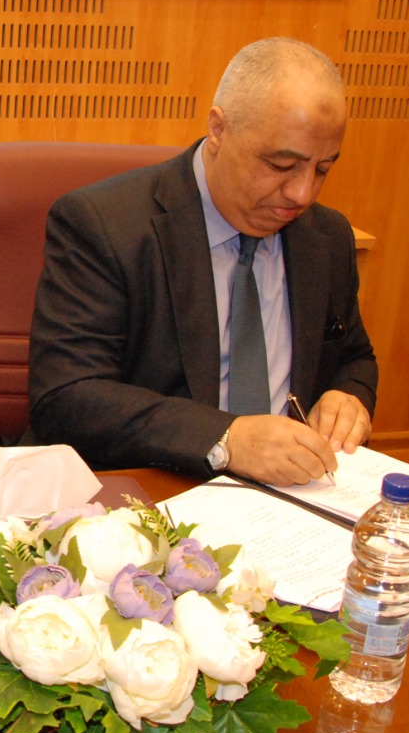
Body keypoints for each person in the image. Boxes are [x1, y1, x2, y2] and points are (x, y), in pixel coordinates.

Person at [27, 37, 377, 485]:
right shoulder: (105, 225)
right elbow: (67, 396)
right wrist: (226, 438)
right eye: (281, 165)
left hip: (294, 491)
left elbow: (353, 356)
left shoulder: (327, 237)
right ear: (218, 130)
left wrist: (348, 396)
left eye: (323, 169)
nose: (302, 193)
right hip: (154, 486)